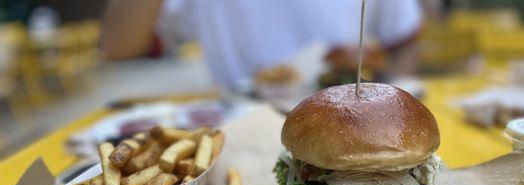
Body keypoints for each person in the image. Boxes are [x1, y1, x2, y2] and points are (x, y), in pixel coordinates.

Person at [101, 0, 423, 89]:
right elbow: (118, 44)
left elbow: (405, 40)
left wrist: (394, 94)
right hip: (235, 131)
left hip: (348, 113)